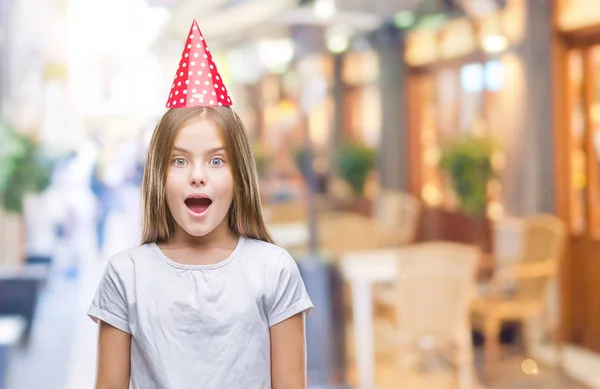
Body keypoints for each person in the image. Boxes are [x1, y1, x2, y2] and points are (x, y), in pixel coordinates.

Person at [87, 19, 313, 389]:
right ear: (158, 176)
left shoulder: (273, 270)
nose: (197, 175)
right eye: (179, 161)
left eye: (216, 160)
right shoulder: (125, 276)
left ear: (240, 176)